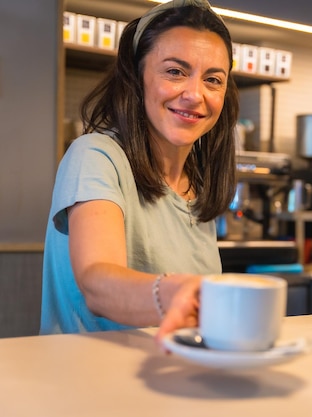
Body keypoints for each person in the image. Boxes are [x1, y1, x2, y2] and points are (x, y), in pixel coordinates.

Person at [40, 0, 238, 334]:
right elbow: (97, 281)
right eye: (175, 72)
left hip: (173, 376)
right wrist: (172, 292)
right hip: (87, 380)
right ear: (136, 77)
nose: (195, 94)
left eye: (213, 79)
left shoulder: (198, 184)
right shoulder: (95, 155)